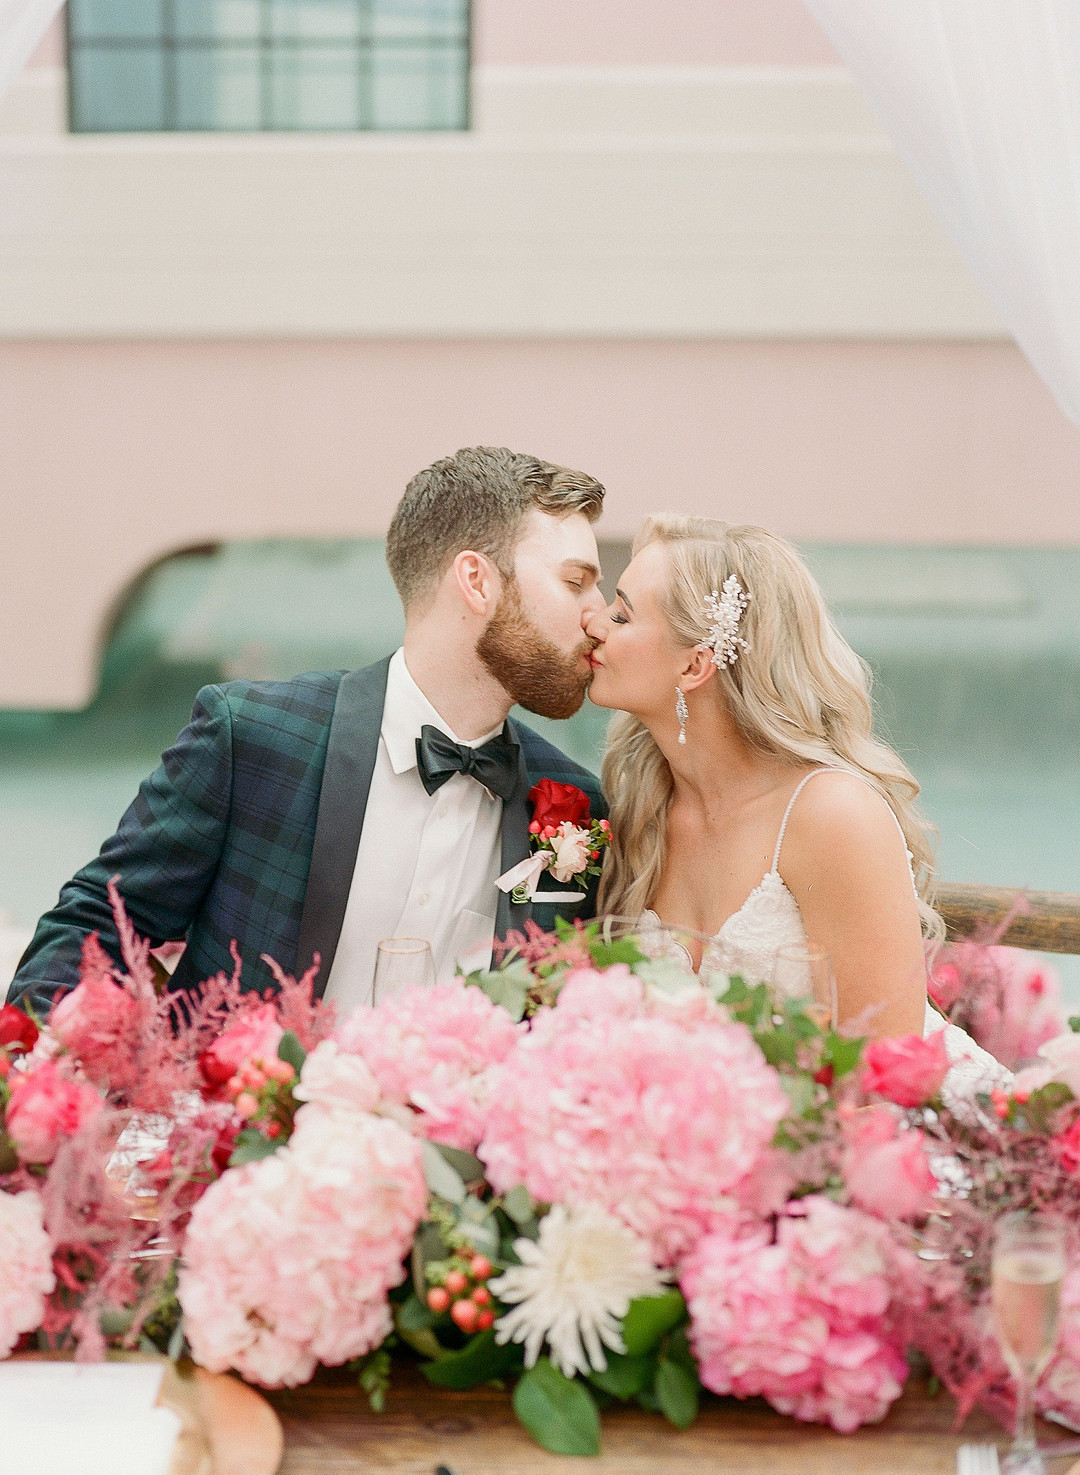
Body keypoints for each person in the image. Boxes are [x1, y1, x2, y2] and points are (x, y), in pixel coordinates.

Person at [9, 447, 608, 1018]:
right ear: (477, 581)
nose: (598, 612)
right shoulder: (252, 739)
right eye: (575, 581)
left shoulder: (573, 806)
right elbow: (94, 929)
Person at [586, 514, 993, 1057]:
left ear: (695, 666)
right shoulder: (642, 805)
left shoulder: (831, 815)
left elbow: (884, 1072)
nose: (595, 623)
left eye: (621, 614)